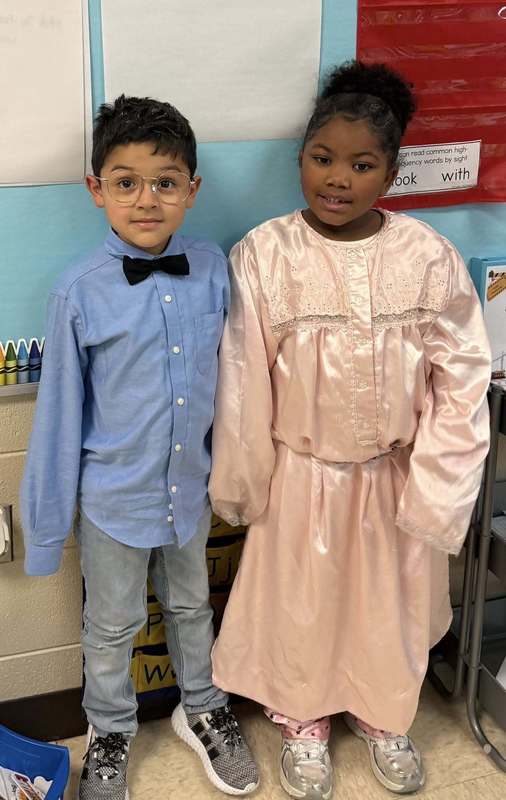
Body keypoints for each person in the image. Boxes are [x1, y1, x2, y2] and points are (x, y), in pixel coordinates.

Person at [209, 61, 491, 798]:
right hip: (301, 471)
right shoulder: (266, 255)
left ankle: (381, 712)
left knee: (386, 605)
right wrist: (244, 483)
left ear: (391, 173)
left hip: (394, 470)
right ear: (300, 158)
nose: (338, 179)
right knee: (300, 603)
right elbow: (242, 381)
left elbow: (460, 376)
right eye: (322, 158)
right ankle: (301, 719)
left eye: (361, 165)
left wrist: (439, 486)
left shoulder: (426, 256)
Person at [20, 95, 259, 800]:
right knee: (113, 621)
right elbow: (60, 419)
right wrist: (43, 532)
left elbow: (245, 380)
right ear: (96, 190)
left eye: (165, 181)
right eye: (126, 181)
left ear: (193, 190)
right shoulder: (78, 294)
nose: (146, 199)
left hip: (190, 489)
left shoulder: (216, 268)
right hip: (114, 500)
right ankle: (110, 730)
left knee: (192, 606)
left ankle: (204, 707)